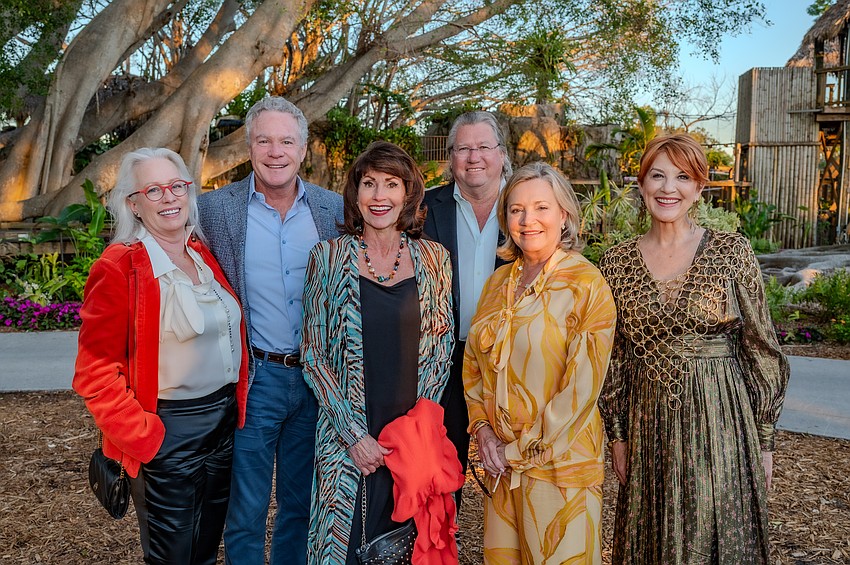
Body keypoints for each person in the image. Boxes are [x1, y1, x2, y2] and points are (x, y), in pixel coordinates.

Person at [598, 133, 790, 564]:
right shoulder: (616, 262)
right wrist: (618, 434)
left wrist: (763, 440)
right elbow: (616, 357)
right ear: (641, 184)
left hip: (722, 420)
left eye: (683, 177)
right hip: (648, 425)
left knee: (716, 532)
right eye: (658, 176)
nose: (669, 188)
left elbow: (761, 347)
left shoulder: (730, 251)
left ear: (700, 187)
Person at [73, 148, 249, 565]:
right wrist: (145, 437)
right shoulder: (120, 267)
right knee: (172, 556)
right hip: (169, 431)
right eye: (153, 190)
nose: (168, 198)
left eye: (176, 186)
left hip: (221, 427)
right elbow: (94, 372)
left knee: (205, 550)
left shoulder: (202, 254)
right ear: (133, 204)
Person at [198, 97, 343, 564]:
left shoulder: (333, 210)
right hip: (255, 378)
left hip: (316, 380)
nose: (275, 151)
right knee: (247, 506)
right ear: (249, 147)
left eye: (286, 141)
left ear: (303, 149)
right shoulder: (215, 211)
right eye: (264, 140)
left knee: (301, 504)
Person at [301, 141, 455, 564]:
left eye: (391, 184)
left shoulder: (435, 259)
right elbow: (313, 355)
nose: (379, 196)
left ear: (408, 193)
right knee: (342, 548)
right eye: (369, 184)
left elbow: (442, 347)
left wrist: (415, 430)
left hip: (411, 438)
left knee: (406, 546)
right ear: (355, 194)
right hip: (347, 437)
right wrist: (354, 436)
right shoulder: (327, 259)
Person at [464, 162, 616, 564]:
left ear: (563, 214)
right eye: (516, 210)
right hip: (502, 468)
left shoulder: (587, 284)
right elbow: (474, 367)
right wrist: (482, 431)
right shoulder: (499, 283)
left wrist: (516, 451)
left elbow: (580, 391)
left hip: (558, 468)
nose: (528, 220)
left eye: (541, 208)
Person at [422, 111, 512, 500]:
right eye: (463, 149)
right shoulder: (423, 208)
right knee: (442, 468)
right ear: (451, 157)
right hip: (444, 358)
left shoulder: (526, 206)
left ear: (502, 154)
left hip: (509, 362)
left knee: (517, 467)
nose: (473, 157)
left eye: (483, 147)